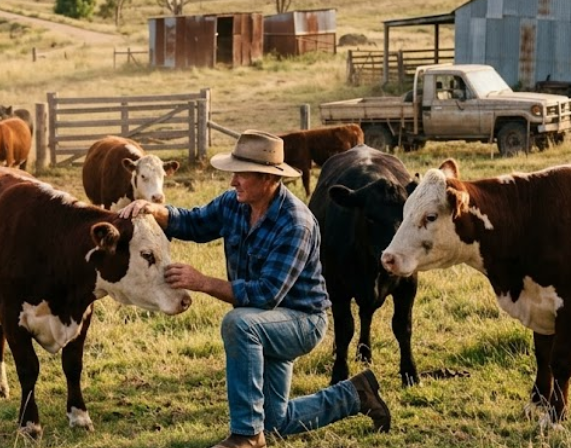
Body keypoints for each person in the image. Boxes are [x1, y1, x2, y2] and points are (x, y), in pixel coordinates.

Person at [119, 130, 390, 448]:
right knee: (277, 421)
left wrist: (202, 282)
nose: (233, 182)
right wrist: (154, 211)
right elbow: (195, 222)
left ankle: (246, 436)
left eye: (241, 174)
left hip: (301, 321)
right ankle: (357, 394)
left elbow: (266, 294)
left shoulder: (296, 224)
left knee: (238, 324)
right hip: (265, 321)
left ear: (267, 179)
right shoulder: (234, 204)